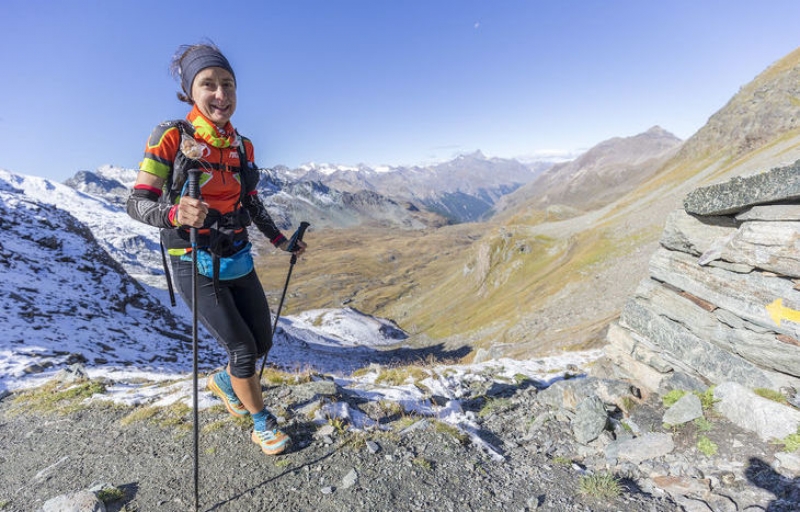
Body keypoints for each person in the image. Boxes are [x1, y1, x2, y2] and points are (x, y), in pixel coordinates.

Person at [126, 42, 305, 456]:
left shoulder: (243, 147)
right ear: (191, 92)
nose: (221, 94)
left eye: (228, 84)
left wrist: (281, 242)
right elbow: (136, 202)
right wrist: (175, 213)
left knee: (261, 344)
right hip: (190, 258)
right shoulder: (169, 137)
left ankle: (224, 382)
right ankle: (261, 421)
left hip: (236, 252)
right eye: (209, 84)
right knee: (242, 350)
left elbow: (251, 202)